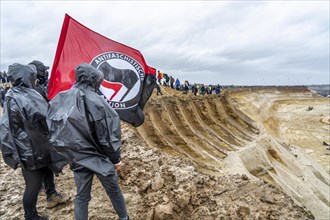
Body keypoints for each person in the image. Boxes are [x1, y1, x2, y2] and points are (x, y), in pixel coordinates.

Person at [47, 63, 129, 220]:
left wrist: (68, 153)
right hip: (99, 157)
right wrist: (115, 159)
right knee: (113, 190)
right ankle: (124, 218)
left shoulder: (61, 98)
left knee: (82, 196)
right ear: (94, 80)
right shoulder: (97, 100)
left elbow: (54, 127)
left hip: (77, 156)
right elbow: (107, 134)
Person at [0, 63, 66, 220]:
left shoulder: (15, 94)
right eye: (32, 76)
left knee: (39, 178)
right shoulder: (22, 96)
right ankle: (31, 216)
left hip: (31, 146)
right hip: (31, 149)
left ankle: (38, 208)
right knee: (33, 185)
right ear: (24, 76)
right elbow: (43, 117)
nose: (34, 79)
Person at [29, 60, 68, 208]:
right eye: (44, 71)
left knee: (40, 165)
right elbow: (46, 110)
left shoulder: (29, 89)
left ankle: (45, 190)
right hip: (41, 134)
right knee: (45, 164)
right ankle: (51, 194)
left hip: (33, 135)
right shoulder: (37, 91)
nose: (46, 73)